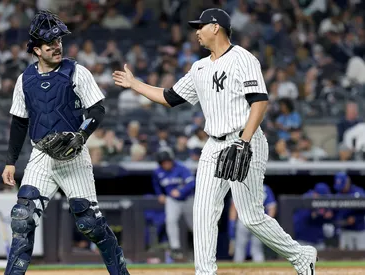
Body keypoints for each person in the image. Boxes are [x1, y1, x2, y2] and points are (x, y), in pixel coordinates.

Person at [112, 8, 317, 275]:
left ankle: (300, 255)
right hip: (213, 144)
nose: (196, 31)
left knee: (251, 217)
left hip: (245, 139)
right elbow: (170, 97)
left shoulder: (243, 58)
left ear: (216, 27)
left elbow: (260, 101)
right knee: (203, 211)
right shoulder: (199, 67)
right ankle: (205, 272)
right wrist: (134, 83)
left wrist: (244, 142)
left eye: (201, 26)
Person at [1, 10, 129, 275]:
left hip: (74, 156)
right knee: (22, 220)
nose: (58, 47)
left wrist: (81, 135)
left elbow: (97, 109)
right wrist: (10, 162)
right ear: (36, 50)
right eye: (51, 45)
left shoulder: (76, 71)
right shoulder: (24, 79)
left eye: (59, 42)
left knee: (90, 224)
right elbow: (19, 122)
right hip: (40, 156)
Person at [152, 147, 195, 260]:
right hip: (172, 201)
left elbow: (192, 183)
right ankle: (175, 248)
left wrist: (181, 191)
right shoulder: (158, 172)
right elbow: (156, 185)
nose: (166, 164)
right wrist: (160, 194)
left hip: (188, 199)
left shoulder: (181, 168)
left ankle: (200, 247)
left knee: (194, 225)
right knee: (170, 220)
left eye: (168, 162)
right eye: (163, 163)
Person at [229, 184, 277, 263]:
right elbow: (272, 208)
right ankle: (260, 272)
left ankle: (236, 271)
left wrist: (232, 226)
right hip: (258, 221)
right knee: (256, 250)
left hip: (243, 221)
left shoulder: (240, 187)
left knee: (240, 249)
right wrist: (267, 223)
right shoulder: (264, 188)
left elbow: (233, 209)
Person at [293, 183, 334, 251]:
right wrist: (320, 214)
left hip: (317, 239)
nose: (324, 199)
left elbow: (327, 211)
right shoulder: (306, 199)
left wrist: (327, 213)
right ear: (316, 194)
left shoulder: (322, 201)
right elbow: (306, 217)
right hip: (303, 240)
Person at [333, 172, 365, 250]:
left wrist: (355, 218)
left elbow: (362, 210)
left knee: (361, 255)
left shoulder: (358, 192)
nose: (342, 189)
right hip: (345, 230)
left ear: (347, 182)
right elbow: (335, 213)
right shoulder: (338, 195)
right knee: (344, 256)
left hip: (359, 230)